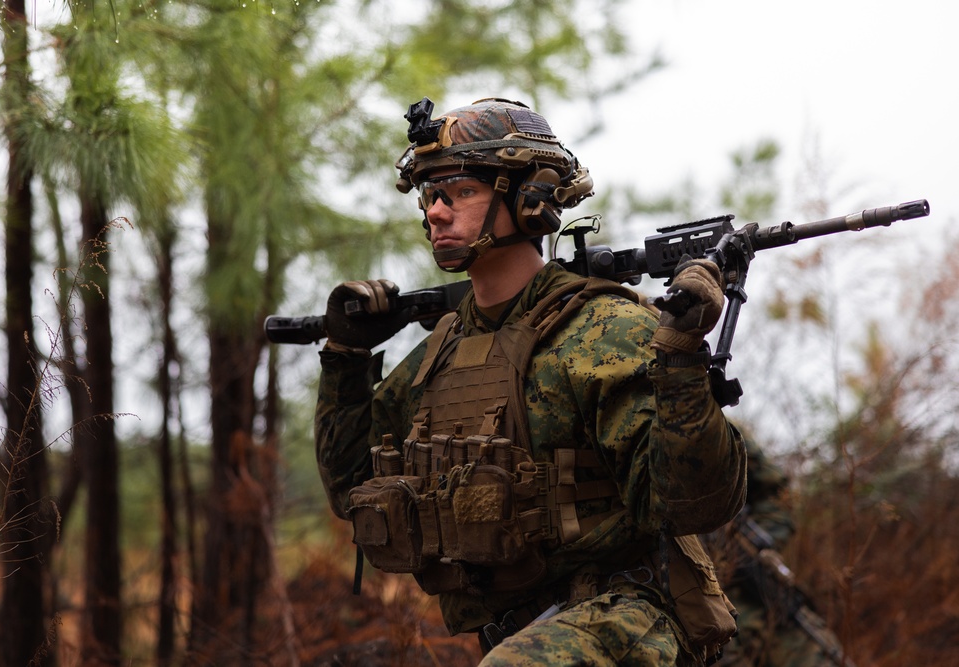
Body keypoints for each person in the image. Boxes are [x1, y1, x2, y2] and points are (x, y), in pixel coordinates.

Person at [313, 96, 747, 666]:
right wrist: (346, 357)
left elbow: (687, 505)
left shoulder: (604, 327)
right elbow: (352, 490)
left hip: (626, 617)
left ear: (530, 199)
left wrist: (680, 357)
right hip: (516, 636)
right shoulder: (442, 350)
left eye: (462, 191)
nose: (437, 213)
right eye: (430, 194)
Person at [706, 437, 854, 667]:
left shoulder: (713, 427)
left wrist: (752, 549)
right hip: (693, 615)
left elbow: (777, 494)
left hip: (761, 594)